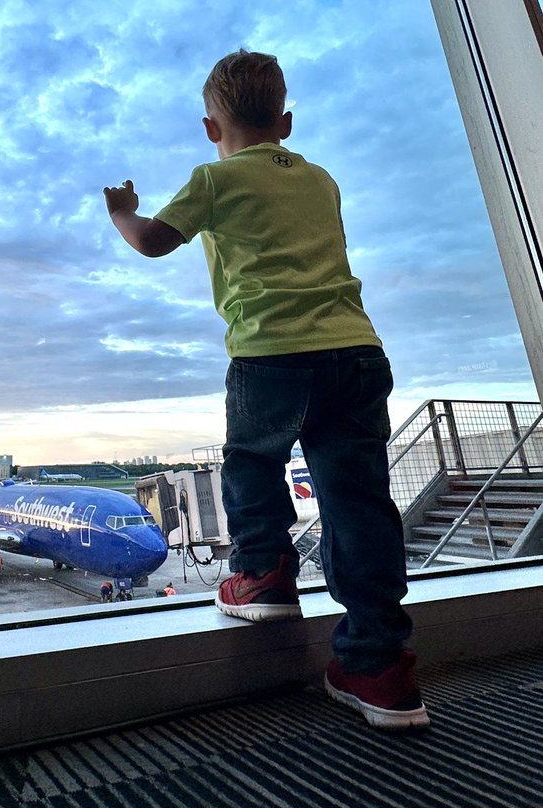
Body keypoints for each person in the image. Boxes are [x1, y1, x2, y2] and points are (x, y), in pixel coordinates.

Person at [103, 48, 427, 729]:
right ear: (284, 121)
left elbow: (155, 241)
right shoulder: (322, 180)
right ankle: (380, 669)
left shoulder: (215, 178)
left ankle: (263, 572)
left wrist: (123, 213)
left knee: (252, 462)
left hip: (272, 354)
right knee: (360, 505)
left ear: (210, 129)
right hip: (357, 352)